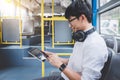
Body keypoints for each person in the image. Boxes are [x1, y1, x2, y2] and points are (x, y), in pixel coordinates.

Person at [39, 0, 108, 80]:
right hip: (64, 77)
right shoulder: (82, 37)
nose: (69, 25)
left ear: (82, 18)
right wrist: (58, 59)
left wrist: (60, 65)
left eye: (70, 20)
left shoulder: (94, 44)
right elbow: (77, 62)